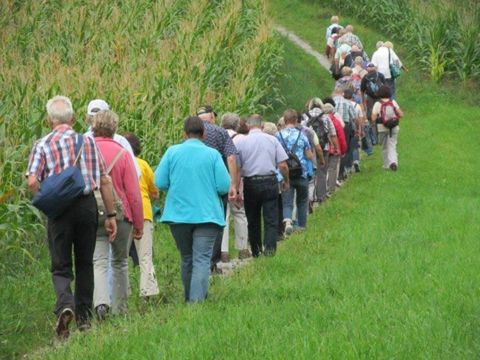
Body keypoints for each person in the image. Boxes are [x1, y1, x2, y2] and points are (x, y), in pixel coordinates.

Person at [26, 96, 117, 338]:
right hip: (86, 206)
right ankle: (85, 319)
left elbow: (33, 180)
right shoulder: (87, 142)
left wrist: (46, 198)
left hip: (59, 210)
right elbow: (105, 180)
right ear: (74, 118)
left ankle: (65, 305)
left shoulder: (42, 144)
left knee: (60, 264)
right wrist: (111, 214)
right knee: (85, 262)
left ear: (49, 120)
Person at [154, 116, 231, 302]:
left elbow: (159, 181)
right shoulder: (212, 155)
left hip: (178, 215)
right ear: (203, 134)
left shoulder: (172, 152)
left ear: (184, 134)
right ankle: (196, 305)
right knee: (202, 260)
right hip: (207, 215)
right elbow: (224, 186)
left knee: (187, 258)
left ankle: (189, 298)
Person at [91, 110, 143, 319]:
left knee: (99, 261)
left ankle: (101, 304)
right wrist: (138, 223)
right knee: (120, 261)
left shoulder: (87, 150)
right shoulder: (122, 152)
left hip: (93, 212)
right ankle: (121, 308)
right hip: (121, 215)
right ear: (114, 128)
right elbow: (133, 192)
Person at [236, 114, 289, 256]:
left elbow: (237, 168)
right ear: (262, 125)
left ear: (248, 125)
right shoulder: (272, 140)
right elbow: (283, 165)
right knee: (271, 218)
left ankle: (256, 250)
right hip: (269, 181)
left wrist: (236, 189)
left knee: (252, 219)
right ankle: (270, 250)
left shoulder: (241, 143)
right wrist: (286, 181)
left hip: (250, 183)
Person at [196, 105, 238, 272]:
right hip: (217, 184)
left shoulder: (189, 135)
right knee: (218, 220)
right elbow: (231, 158)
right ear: (212, 117)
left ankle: (198, 258)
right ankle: (212, 262)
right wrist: (233, 184)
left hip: (197, 184)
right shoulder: (221, 132)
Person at [124, 133, 160, 300]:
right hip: (143, 212)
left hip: (123, 214)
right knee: (145, 256)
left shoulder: (119, 163)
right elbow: (155, 191)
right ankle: (148, 291)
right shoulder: (143, 165)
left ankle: (123, 293)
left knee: (120, 259)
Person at [220, 113, 250, 261]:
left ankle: (223, 252)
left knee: (223, 216)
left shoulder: (216, 137)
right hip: (238, 181)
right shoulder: (243, 139)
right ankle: (243, 249)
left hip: (220, 182)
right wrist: (237, 188)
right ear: (237, 124)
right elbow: (244, 164)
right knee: (240, 214)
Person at [277, 110, 313, 234]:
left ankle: (287, 221)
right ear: (297, 120)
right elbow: (309, 155)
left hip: (285, 173)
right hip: (301, 172)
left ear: (285, 120)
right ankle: (302, 226)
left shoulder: (278, 136)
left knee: (287, 200)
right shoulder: (302, 135)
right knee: (302, 200)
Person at [85, 99, 141, 178]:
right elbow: (135, 173)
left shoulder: (82, 141)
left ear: (87, 118)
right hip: (117, 189)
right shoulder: (120, 141)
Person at [371, 85, 404, 171]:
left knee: (384, 146)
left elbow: (373, 118)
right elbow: (401, 114)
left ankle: (386, 165)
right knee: (392, 145)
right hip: (394, 127)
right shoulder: (393, 102)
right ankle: (393, 162)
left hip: (382, 127)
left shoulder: (377, 104)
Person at [361, 63, 386, 145]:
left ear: (367, 69)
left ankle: (374, 139)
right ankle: (382, 138)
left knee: (372, 118)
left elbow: (362, 90)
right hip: (380, 98)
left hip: (370, 99)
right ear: (375, 68)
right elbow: (385, 87)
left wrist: (363, 102)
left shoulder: (365, 77)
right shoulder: (381, 75)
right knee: (381, 116)